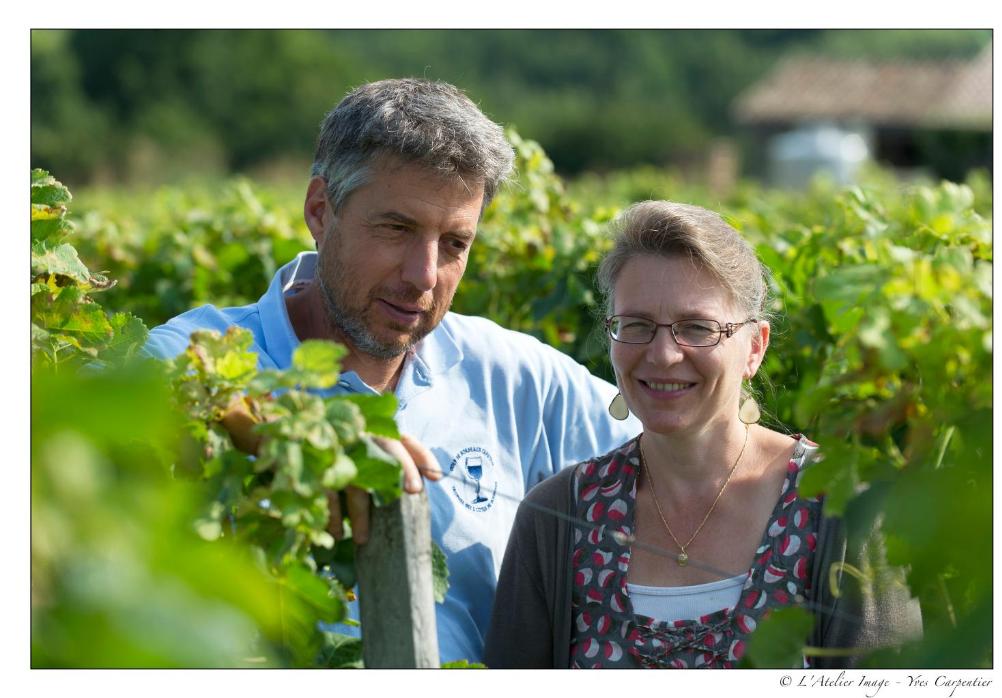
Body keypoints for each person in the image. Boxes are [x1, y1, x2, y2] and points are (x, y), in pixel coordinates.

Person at [143, 78, 640, 665]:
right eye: (397, 229)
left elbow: (674, 455)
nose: (424, 274)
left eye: (454, 243)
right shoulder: (199, 358)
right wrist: (304, 438)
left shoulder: (515, 375)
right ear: (320, 211)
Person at [484, 201, 921, 668]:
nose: (664, 355)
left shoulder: (841, 506)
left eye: (696, 328)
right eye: (637, 326)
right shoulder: (557, 516)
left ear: (754, 347)